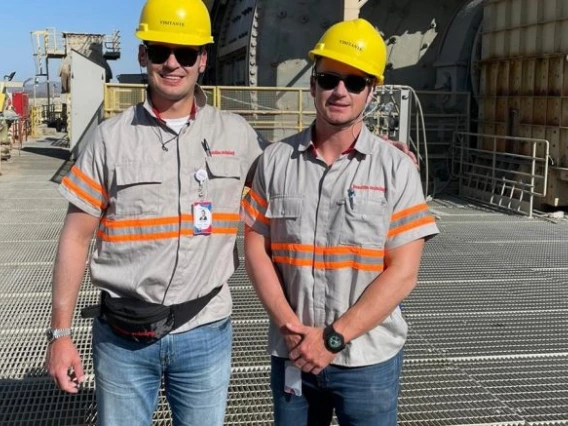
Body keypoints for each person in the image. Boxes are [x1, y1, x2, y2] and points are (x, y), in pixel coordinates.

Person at [44, 0, 265, 425]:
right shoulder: (110, 140)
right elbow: (74, 237)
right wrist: (60, 334)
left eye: (185, 53)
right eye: (161, 50)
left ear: (202, 59)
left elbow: (292, 174)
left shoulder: (235, 135)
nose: (172, 64)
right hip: (123, 339)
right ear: (143, 54)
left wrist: (378, 150)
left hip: (205, 332)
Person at [242, 18, 439, 426]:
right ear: (312, 84)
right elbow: (255, 248)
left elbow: (403, 273)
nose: (340, 92)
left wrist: (332, 338)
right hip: (292, 352)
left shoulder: (396, 169)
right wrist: (290, 326)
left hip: (367, 361)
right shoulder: (275, 162)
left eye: (355, 82)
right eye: (329, 78)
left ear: (372, 92)